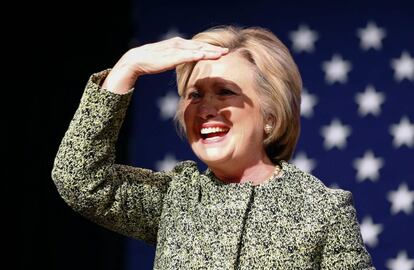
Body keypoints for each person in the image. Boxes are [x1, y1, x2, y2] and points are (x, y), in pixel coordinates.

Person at [52, 25, 375, 269]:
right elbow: (79, 179)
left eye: (224, 91)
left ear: (270, 115)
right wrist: (127, 68)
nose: (205, 107)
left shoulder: (321, 210)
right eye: (194, 95)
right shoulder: (176, 196)